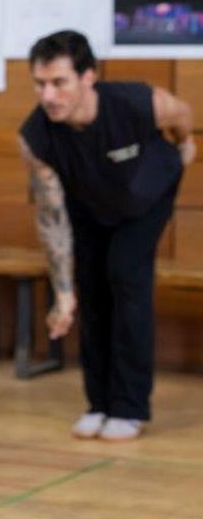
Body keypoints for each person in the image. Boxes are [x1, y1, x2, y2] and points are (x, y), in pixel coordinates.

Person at [19, 30, 193, 441]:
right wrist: (63, 293)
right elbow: (52, 217)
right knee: (91, 288)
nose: (48, 95)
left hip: (147, 191)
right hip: (92, 200)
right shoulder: (36, 137)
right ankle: (99, 402)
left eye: (59, 83)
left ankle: (130, 408)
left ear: (87, 78)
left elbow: (181, 114)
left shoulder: (138, 102)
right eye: (40, 84)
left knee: (126, 273)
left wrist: (186, 146)